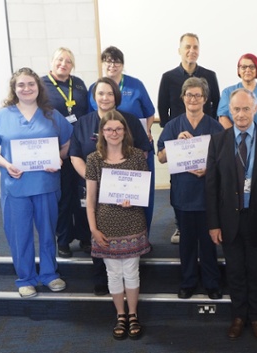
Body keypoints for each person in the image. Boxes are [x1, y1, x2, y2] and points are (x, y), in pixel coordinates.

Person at [0, 67, 73, 298]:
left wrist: (59, 159)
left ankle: (49, 274)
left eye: (31, 84)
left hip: (46, 184)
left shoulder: (52, 115)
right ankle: (25, 277)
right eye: (21, 85)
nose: (26, 89)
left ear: (38, 87)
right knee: (19, 233)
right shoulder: (2, 116)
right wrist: (5, 164)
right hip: (16, 186)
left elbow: (67, 142)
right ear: (14, 89)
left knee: (47, 232)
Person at [206, 88, 257, 340]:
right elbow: (211, 186)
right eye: (236, 109)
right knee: (235, 272)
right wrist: (213, 224)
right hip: (229, 221)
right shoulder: (218, 141)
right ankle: (239, 316)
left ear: (255, 110)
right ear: (230, 111)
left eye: (246, 109)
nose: (241, 114)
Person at [70, 77, 151, 296]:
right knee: (98, 231)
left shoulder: (130, 120)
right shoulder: (83, 122)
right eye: (100, 94)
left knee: (127, 231)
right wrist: (92, 178)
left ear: (116, 96)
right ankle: (100, 279)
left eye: (109, 93)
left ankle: (131, 277)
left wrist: (127, 179)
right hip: (94, 187)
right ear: (93, 97)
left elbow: (143, 150)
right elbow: (75, 155)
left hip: (126, 191)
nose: (105, 98)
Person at [85, 110, 151, 340]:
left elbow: (142, 193)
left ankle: (133, 314)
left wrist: (132, 199)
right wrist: (93, 229)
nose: (114, 133)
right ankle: (120, 315)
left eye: (118, 129)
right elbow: (90, 199)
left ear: (125, 131)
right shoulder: (94, 159)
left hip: (132, 221)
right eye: (109, 129)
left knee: (132, 271)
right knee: (113, 274)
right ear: (102, 132)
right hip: (105, 226)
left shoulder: (137, 157)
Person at [157, 78, 223, 300]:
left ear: (205, 99)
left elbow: (224, 161)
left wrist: (208, 169)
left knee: (208, 241)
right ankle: (188, 281)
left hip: (208, 195)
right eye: (189, 95)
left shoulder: (215, 127)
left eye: (197, 95)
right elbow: (161, 158)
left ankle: (211, 282)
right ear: (183, 97)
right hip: (183, 193)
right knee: (186, 242)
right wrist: (174, 144)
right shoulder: (173, 126)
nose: (193, 99)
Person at [157, 33, 221, 245]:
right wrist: (174, 141)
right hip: (180, 139)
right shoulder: (168, 77)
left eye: (195, 47)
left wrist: (208, 135)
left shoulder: (210, 75)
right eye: (187, 47)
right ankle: (179, 226)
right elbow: (162, 107)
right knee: (181, 191)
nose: (191, 50)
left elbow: (217, 105)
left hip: (204, 138)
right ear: (180, 50)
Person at [88, 46, 156, 234]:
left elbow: (150, 113)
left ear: (122, 64)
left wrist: (147, 131)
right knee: (111, 198)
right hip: (107, 154)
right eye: (108, 61)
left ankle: (143, 236)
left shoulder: (136, 85)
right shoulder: (94, 88)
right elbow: (92, 117)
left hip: (136, 148)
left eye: (116, 61)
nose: (112, 65)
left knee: (140, 194)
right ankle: (110, 237)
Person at [41, 47, 90, 258]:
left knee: (83, 195)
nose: (63, 64)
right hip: (57, 149)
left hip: (79, 147)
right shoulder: (41, 85)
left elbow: (86, 113)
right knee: (62, 197)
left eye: (68, 61)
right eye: (60, 60)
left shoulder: (78, 84)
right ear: (52, 62)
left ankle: (85, 237)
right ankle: (63, 240)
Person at [217, 53, 257, 129]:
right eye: (243, 67)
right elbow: (222, 118)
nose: (248, 70)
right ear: (239, 70)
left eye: (252, 67)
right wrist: (237, 136)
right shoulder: (227, 92)